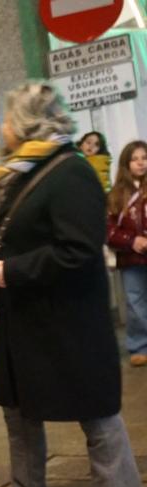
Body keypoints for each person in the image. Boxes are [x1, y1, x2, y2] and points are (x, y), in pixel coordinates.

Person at [0, 82, 146, 487]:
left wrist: (12, 270)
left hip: (66, 319)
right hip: (30, 317)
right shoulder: (30, 169)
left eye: (8, 117)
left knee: (94, 409)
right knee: (17, 406)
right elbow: (19, 231)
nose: (2, 126)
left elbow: (79, 249)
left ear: (27, 123)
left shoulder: (70, 171)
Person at [105, 140, 147, 368]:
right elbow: (108, 230)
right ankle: (140, 346)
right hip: (131, 258)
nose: (141, 163)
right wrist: (132, 241)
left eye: (144, 157)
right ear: (126, 163)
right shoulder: (116, 195)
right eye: (135, 158)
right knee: (135, 302)